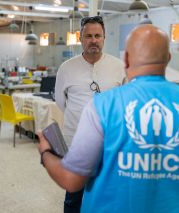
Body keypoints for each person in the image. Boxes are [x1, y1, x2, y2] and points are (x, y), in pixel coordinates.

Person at [38, 25, 179, 213]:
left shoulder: (102, 106)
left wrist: (46, 153)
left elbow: (72, 180)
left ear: (127, 59)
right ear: (168, 59)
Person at [54, 16, 125, 212]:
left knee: (108, 194)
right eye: (88, 36)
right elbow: (61, 102)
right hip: (76, 142)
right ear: (80, 38)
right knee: (74, 195)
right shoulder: (66, 68)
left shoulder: (119, 67)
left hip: (110, 142)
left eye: (97, 36)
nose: (93, 40)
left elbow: (126, 102)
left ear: (103, 38)